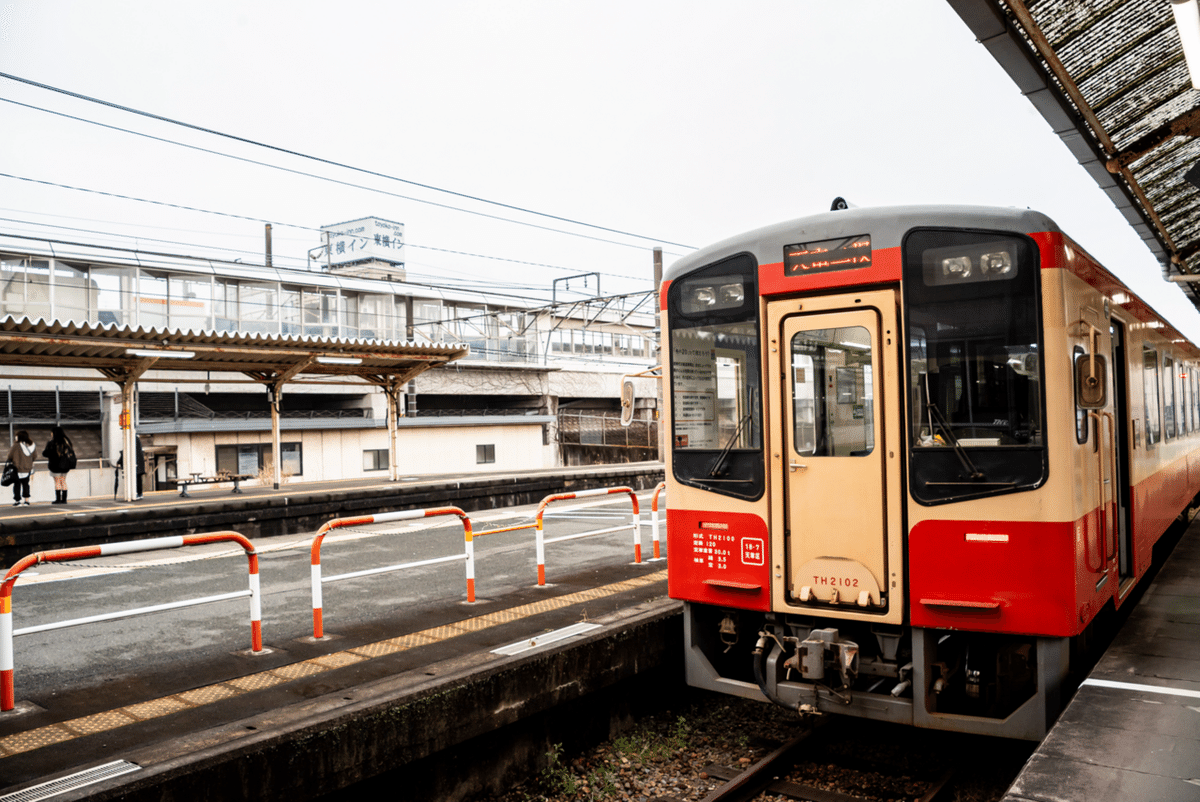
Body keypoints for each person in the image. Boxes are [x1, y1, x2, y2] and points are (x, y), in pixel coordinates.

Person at [43, 426, 76, 505]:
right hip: (65, 465)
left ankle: (58, 499)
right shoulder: (67, 441)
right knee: (63, 481)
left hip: (55, 465)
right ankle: (64, 499)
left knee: (57, 482)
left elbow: (46, 453)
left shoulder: (52, 443)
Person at [5, 430, 35, 506]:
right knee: (26, 484)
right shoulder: (32, 445)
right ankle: (26, 501)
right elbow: (35, 456)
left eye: (16, 436)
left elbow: (10, 455)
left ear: (19, 437)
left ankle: (17, 501)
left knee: (17, 485)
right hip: (27, 469)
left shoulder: (16, 445)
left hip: (17, 469)